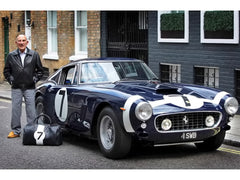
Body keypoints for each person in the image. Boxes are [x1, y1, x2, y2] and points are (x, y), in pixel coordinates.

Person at [4, 34, 44, 138]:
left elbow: (40, 71)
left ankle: (31, 131)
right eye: (19, 41)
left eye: (23, 40)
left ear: (27, 42)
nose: (21, 43)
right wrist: (11, 80)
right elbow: (6, 71)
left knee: (31, 110)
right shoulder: (11, 55)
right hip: (16, 87)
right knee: (16, 110)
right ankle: (16, 131)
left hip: (29, 87)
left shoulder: (34, 55)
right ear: (16, 43)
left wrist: (34, 80)